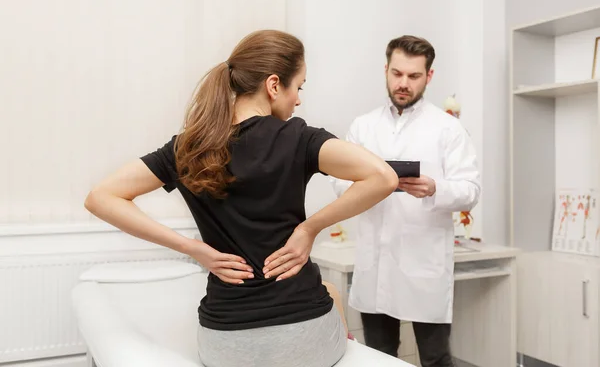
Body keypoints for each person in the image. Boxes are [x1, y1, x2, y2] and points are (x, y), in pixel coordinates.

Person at [84, 29, 399, 367]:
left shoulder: (189, 147)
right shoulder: (299, 138)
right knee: (333, 293)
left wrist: (193, 249)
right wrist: (310, 228)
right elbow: (384, 177)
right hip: (306, 340)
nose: (299, 99)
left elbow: (100, 197)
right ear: (274, 85)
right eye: (299, 87)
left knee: (329, 292)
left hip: (225, 346)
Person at [331, 35, 481, 367]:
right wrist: (371, 186)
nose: (403, 83)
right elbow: (339, 181)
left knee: (436, 358)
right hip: (375, 266)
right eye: (397, 73)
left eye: (413, 76)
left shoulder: (448, 129)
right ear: (386, 70)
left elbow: (471, 189)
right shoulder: (363, 126)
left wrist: (434, 189)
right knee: (379, 358)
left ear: (429, 76)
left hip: (424, 267)